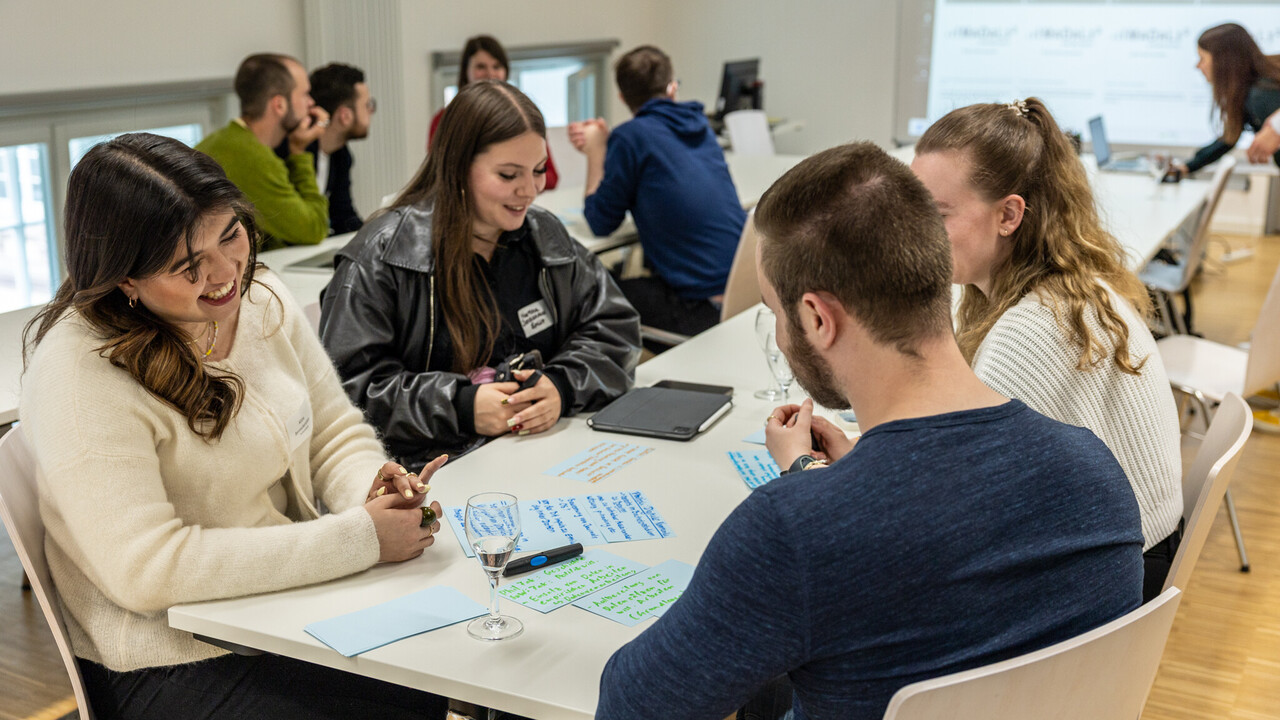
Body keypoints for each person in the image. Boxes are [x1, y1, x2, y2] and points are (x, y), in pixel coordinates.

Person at [596, 142, 1144, 720]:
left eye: (777, 314)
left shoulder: (792, 531)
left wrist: (810, 500)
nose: (782, 334)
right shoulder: (1095, 472)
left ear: (816, 318)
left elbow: (632, 708)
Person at [19, 133, 448, 719]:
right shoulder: (79, 373)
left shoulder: (259, 297)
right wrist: (360, 538)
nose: (226, 275)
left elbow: (330, 432)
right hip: (167, 655)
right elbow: (147, 570)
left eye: (231, 235)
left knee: (430, 676)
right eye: (188, 266)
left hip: (280, 608)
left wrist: (374, 492)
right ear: (126, 280)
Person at [911, 97, 1183, 601]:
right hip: (1141, 549)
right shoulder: (1074, 287)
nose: (916, 233)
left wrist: (813, 472)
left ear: (1009, 215)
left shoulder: (1029, 330)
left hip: (1109, 579)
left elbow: (955, 511)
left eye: (938, 214)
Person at [320, 80, 640, 471]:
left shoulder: (544, 236)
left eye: (538, 170)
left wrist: (562, 385)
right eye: (508, 175)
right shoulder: (380, 257)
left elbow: (615, 328)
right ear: (458, 168)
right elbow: (346, 391)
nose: (529, 191)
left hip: (537, 456)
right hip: (424, 475)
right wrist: (461, 406)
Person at [568, 45, 746, 344]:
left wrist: (597, 150)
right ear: (672, 87)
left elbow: (600, 221)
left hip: (700, 311)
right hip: (744, 294)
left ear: (623, 98)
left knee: (587, 290)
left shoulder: (630, 137)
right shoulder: (700, 125)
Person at [197, 53, 330, 249]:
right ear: (279, 104)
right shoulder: (252, 157)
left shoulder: (223, 140)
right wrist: (300, 153)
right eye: (304, 94)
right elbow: (314, 229)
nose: (311, 102)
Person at [427, 34, 559, 190]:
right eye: (481, 67)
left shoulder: (524, 117)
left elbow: (551, 177)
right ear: (465, 71)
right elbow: (436, 176)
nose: (490, 74)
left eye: (497, 66)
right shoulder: (444, 119)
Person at [1168, 23, 1280, 178]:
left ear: (1223, 61)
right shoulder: (1249, 92)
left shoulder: (1261, 95)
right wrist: (1188, 166)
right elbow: (1228, 138)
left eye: (1202, 58)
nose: (1198, 66)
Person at [275, 62, 376, 234]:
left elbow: (343, 216)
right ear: (345, 116)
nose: (371, 111)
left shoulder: (341, 155)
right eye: (368, 105)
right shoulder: (289, 150)